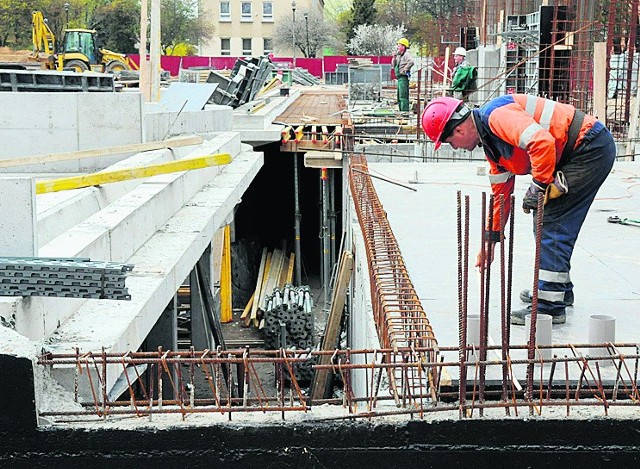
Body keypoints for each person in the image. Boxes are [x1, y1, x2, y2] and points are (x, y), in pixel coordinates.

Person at [421, 94, 616, 325]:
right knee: (546, 218)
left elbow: (541, 142)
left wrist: (538, 186)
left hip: (588, 147)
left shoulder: (496, 116)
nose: (455, 148)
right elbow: (500, 197)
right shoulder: (493, 147)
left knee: (550, 219)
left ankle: (550, 305)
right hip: (576, 150)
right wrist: (489, 242)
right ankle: (557, 290)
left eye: (449, 143)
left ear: (458, 132)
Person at [391, 38, 414, 112]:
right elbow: (393, 65)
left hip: (403, 78)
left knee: (403, 96)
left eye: (399, 45)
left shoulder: (406, 55)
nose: (397, 47)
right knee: (399, 97)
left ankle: (405, 113)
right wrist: (394, 57)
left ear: (403, 47)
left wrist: (405, 69)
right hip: (399, 78)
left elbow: (411, 62)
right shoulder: (399, 55)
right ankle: (401, 112)